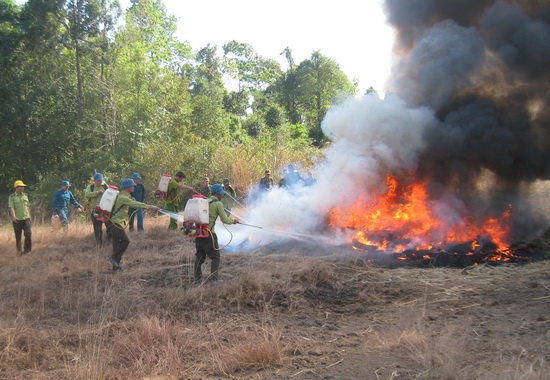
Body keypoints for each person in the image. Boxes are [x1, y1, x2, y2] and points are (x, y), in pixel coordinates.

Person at [107, 178, 160, 272]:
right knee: (125, 241)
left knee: (116, 245)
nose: (134, 187)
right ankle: (113, 259)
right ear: (127, 187)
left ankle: (115, 268)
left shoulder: (124, 195)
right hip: (115, 223)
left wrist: (131, 198)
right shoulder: (123, 197)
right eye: (132, 186)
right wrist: (149, 207)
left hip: (116, 223)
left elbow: (131, 201)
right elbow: (135, 204)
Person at [194, 184, 239, 284]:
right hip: (209, 234)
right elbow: (225, 220)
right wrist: (234, 221)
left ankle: (197, 279)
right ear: (216, 193)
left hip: (198, 233)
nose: (222, 196)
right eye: (221, 194)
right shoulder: (218, 204)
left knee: (199, 257)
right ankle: (214, 279)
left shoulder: (205, 202)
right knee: (215, 257)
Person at [85, 173, 112, 245]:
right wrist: (97, 193)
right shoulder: (91, 187)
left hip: (106, 210)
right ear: (95, 181)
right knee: (98, 228)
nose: (100, 182)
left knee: (109, 226)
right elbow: (87, 194)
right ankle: (99, 244)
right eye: (98, 180)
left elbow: (111, 195)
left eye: (101, 180)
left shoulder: (105, 186)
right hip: (95, 210)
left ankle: (109, 241)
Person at [9, 180, 32, 255]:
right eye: (21, 187)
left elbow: (27, 207)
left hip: (26, 218)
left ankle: (27, 250)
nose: (23, 188)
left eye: (23, 187)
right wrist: (14, 217)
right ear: (16, 187)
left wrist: (30, 216)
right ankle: (19, 251)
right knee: (18, 236)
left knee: (28, 234)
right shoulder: (12, 197)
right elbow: (11, 207)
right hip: (17, 219)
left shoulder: (25, 196)